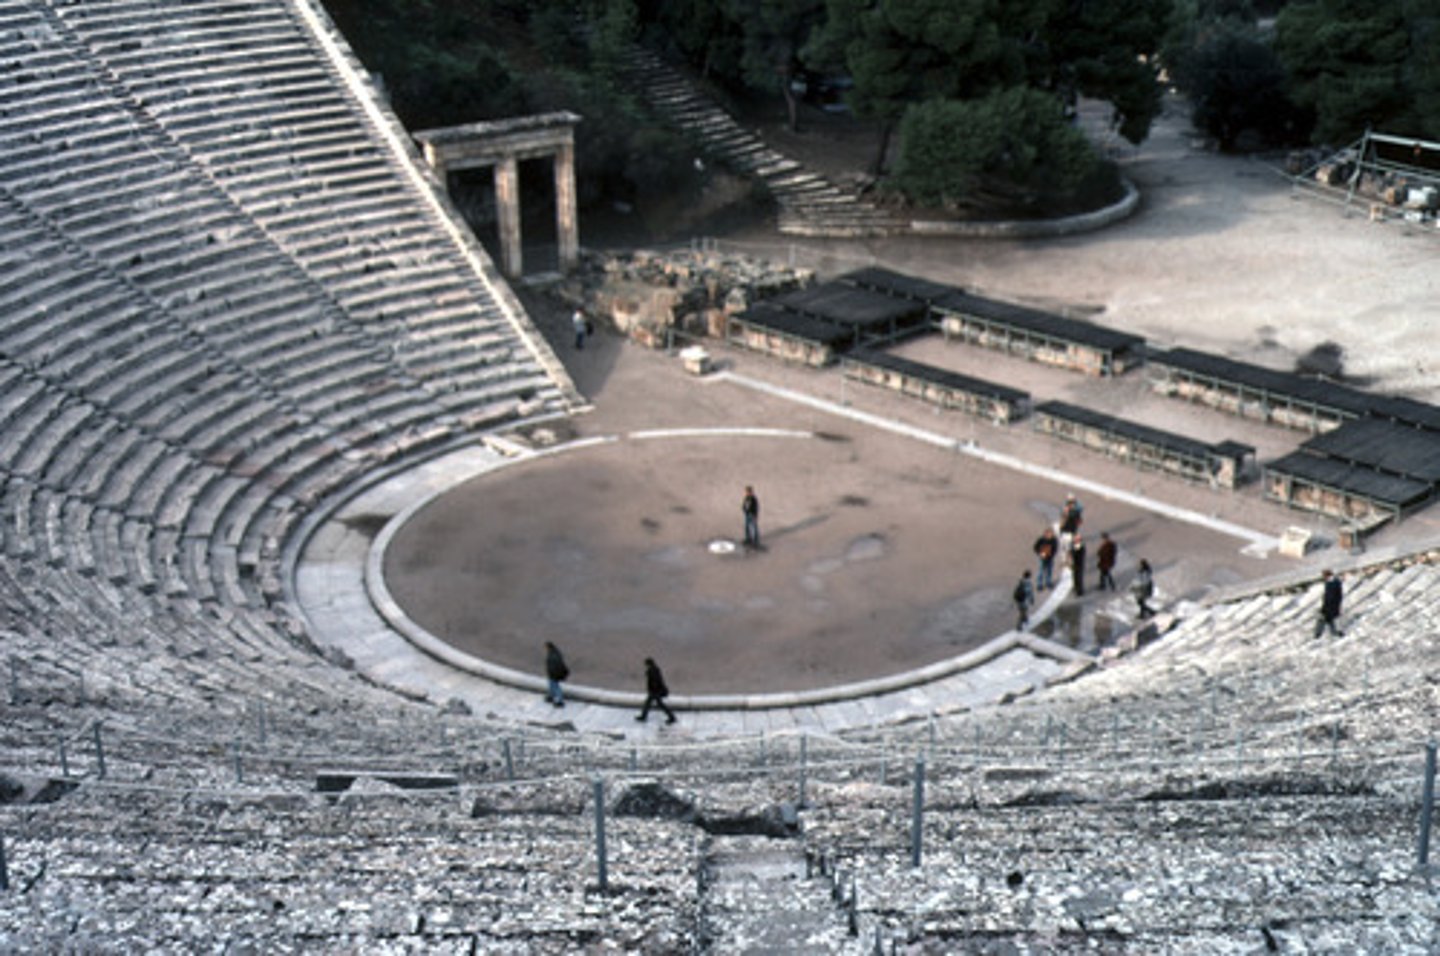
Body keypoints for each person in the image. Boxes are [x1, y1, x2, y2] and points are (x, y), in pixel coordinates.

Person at [636, 657, 676, 724]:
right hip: (656, 691)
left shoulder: (651, 671)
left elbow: (655, 681)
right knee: (649, 703)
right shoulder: (656, 669)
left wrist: (653, 691)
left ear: (648, 664)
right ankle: (643, 716)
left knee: (659, 704)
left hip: (655, 691)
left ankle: (672, 717)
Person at [1314, 569, 1344, 637]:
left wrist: (1334, 603)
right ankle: (1319, 633)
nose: (1324, 577)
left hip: (1332, 604)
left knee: (1332, 617)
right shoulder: (1329, 582)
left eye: (1324, 576)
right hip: (1328, 603)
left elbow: (1337, 595)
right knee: (1325, 617)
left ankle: (1337, 632)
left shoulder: (1334, 582)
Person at [1033, 527, 1058, 591]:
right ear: (1045, 534)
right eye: (1048, 534)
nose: (1049, 535)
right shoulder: (1041, 539)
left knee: (1049, 571)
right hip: (1043, 557)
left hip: (1050, 558)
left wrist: (1051, 555)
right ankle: (1039, 584)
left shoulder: (1054, 540)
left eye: (1050, 534)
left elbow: (1055, 549)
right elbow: (1035, 547)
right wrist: (1040, 553)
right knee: (1041, 571)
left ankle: (1048, 582)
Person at [544, 641, 569, 707]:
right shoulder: (555, 653)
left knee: (555, 687)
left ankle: (560, 701)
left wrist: (552, 673)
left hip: (554, 674)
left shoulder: (553, 655)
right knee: (551, 685)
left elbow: (553, 666)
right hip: (553, 674)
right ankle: (551, 696)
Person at [1069, 532, 1087, 597]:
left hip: (1079, 563)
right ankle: (1076, 588)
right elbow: (1071, 552)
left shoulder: (1081, 545)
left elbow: (1080, 555)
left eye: (1077, 538)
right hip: (1074, 563)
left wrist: (1073, 553)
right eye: (1075, 538)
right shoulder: (1073, 544)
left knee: (1079, 577)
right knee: (1074, 576)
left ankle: (1080, 590)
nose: (1075, 539)